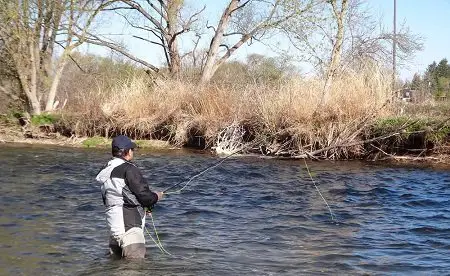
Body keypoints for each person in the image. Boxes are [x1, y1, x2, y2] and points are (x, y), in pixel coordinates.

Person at [96, 135, 164, 259]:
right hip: (130, 229)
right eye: (132, 149)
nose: (133, 152)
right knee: (134, 269)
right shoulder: (129, 169)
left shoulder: (106, 170)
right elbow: (145, 197)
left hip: (113, 230)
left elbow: (119, 197)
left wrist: (144, 207)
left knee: (115, 268)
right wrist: (156, 196)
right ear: (127, 152)